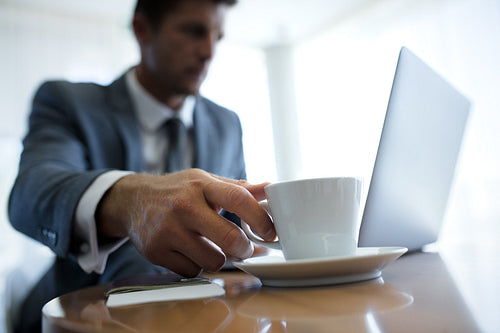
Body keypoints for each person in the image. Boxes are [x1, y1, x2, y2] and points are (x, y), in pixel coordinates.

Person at [8, 0, 276, 331]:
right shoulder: (67, 102)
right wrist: (133, 202)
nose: (209, 52)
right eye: (194, 31)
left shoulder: (227, 124)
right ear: (142, 30)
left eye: (217, 37)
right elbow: (30, 194)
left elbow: (236, 232)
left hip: (206, 314)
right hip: (79, 312)